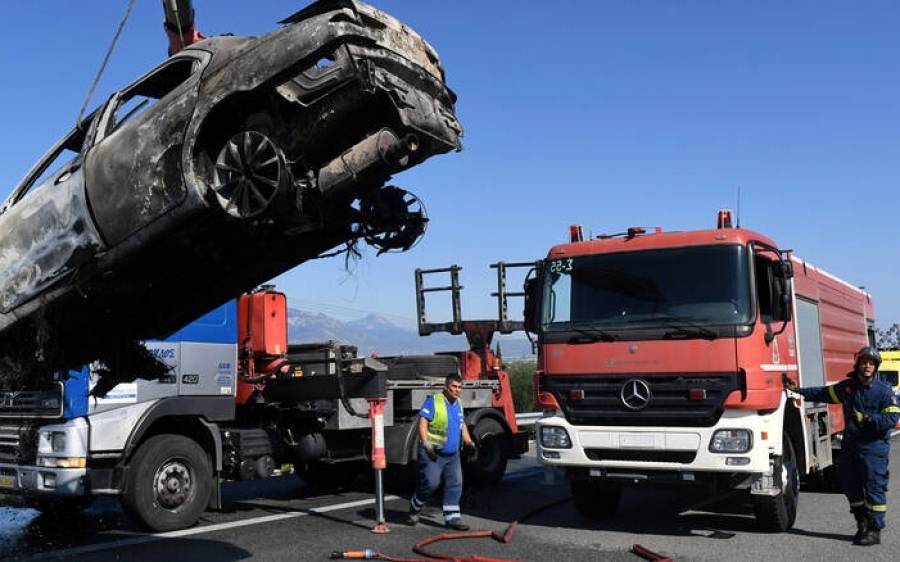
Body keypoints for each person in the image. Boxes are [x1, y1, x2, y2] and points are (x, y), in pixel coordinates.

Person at [783, 346, 900, 546]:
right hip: (850, 448)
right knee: (850, 486)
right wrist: (799, 390)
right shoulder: (848, 388)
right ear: (858, 364)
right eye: (864, 362)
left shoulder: (883, 392)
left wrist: (868, 418)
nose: (867, 366)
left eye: (871, 363)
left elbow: (892, 417)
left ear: (876, 367)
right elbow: (823, 393)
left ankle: (874, 528)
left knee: (874, 489)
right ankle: (861, 522)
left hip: (873, 449)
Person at [408, 373, 478, 531]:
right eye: (454, 386)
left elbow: (462, 426)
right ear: (446, 387)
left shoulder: (458, 403)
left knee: (455, 485)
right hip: (433, 454)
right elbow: (422, 423)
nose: (457, 390)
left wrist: (469, 442)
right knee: (431, 484)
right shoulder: (434, 401)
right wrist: (426, 443)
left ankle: (453, 519)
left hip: (452, 455)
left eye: (460, 387)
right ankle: (415, 506)